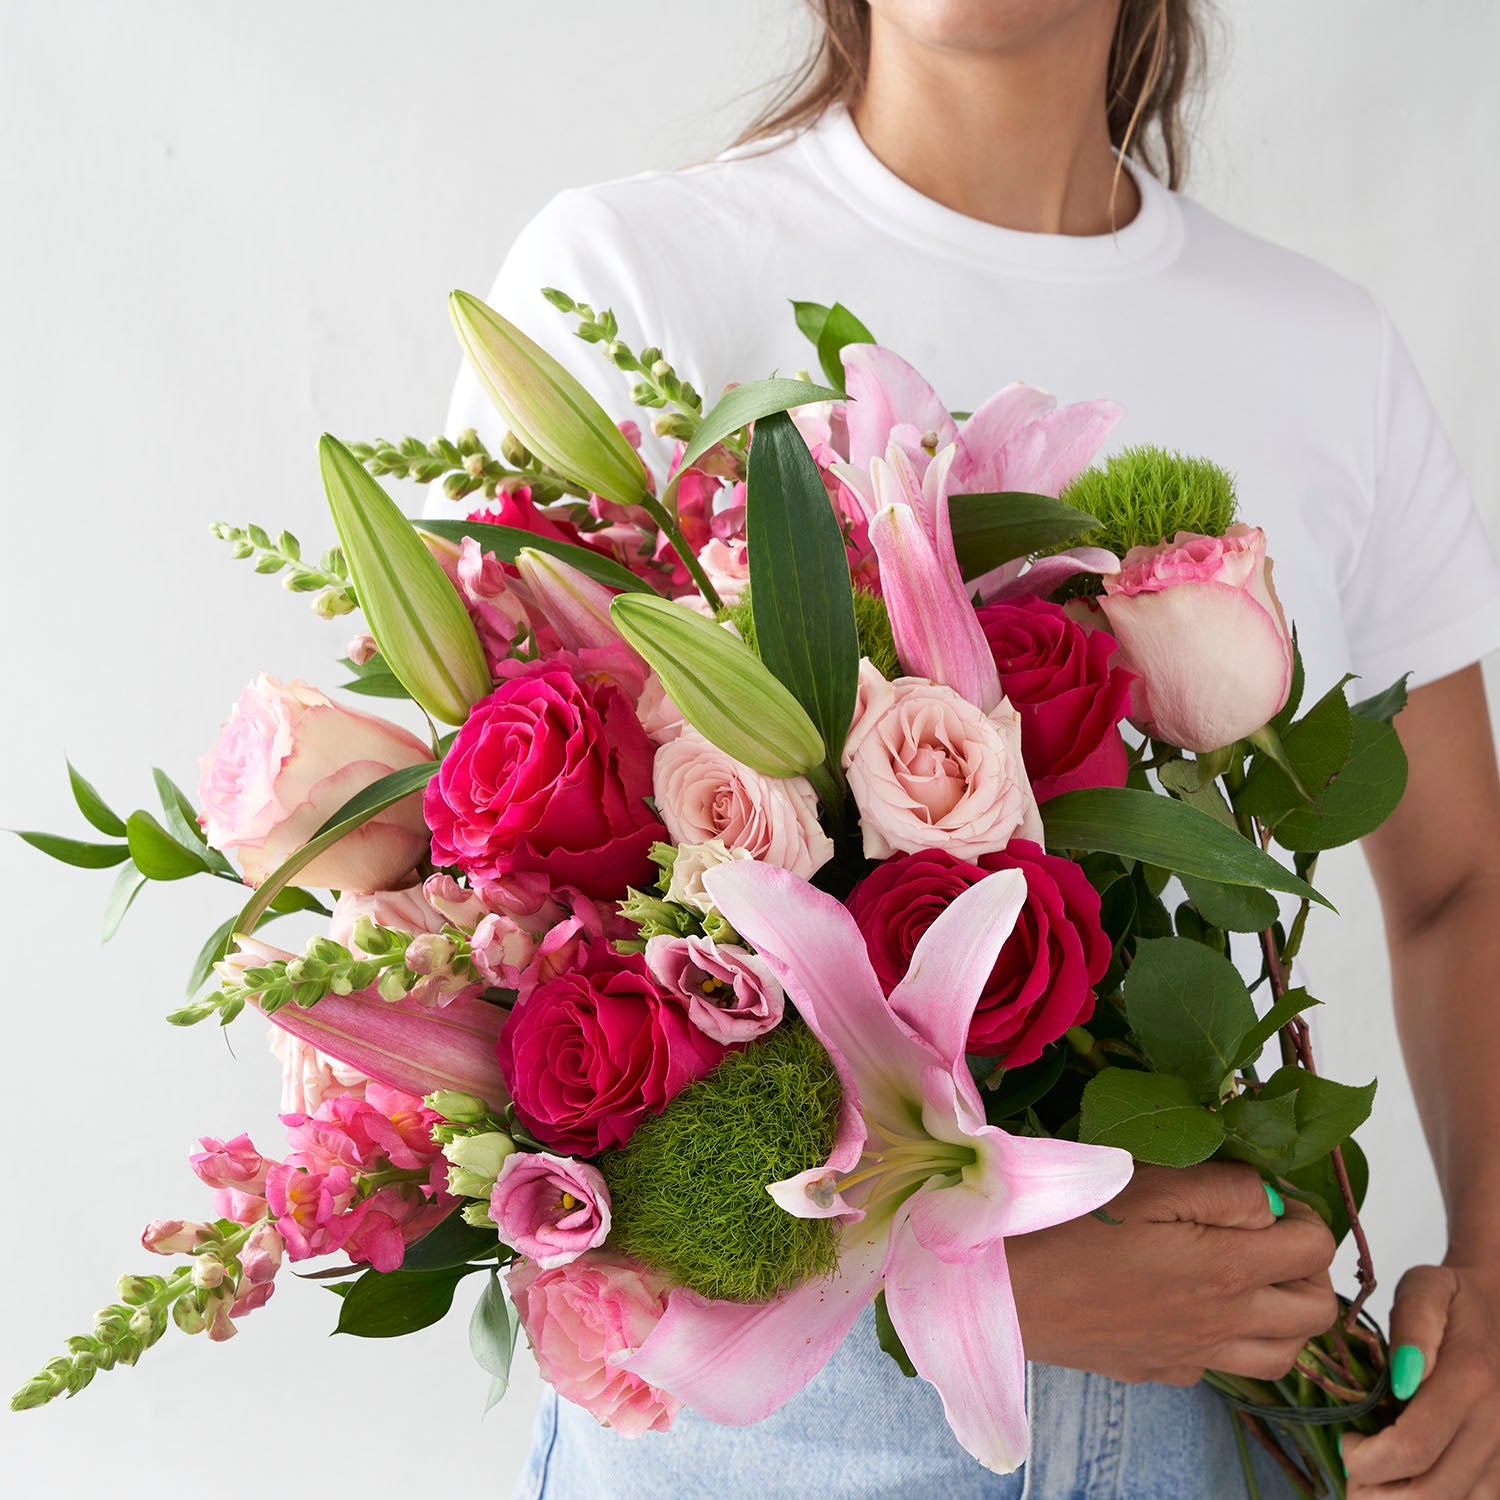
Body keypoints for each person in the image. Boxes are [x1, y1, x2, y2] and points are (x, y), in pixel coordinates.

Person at [431, 3, 1500, 1495]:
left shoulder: (1326, 351)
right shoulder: (638, 277)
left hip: (1224, 1403)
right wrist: (971, 1272)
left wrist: (1497, 1290)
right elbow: (473, 942)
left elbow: (1458, 881)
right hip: (792, 1421)